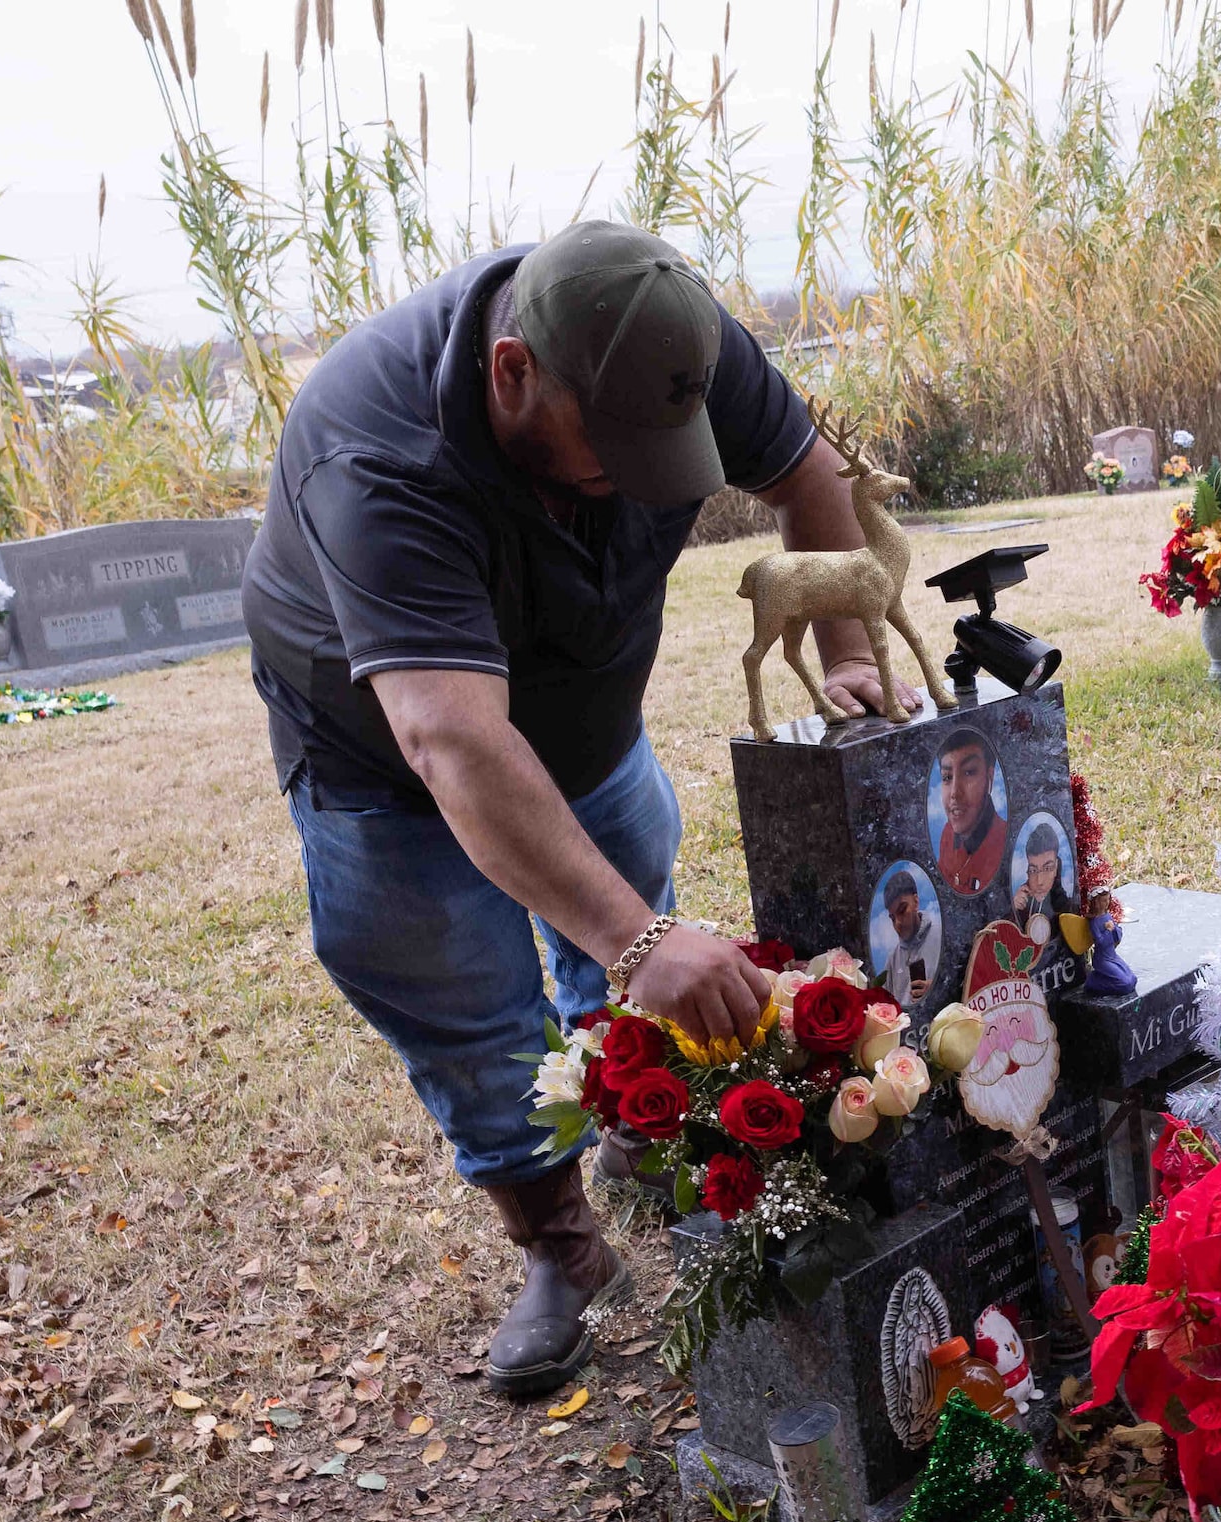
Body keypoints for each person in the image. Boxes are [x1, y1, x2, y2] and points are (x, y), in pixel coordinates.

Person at [244, 221, 916, 1401]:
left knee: (619, 897)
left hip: (583, 714)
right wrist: (640, 941)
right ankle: (559, 1244)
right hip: (388, 761)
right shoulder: (377, 451)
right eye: (611, 452)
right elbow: (449, 735)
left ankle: (626, 1118)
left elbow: (810, 476)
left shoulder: (667, 335)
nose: (638, 479)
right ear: (512, 374)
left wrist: (850, 646)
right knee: (462, 998)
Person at [934, 729, 1008, 894]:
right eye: (947, 777)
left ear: (989, 778)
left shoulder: (1005, 842)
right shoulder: (947, 834)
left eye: (968, 772)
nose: (954, 793)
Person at [878, 868, 940, 1008]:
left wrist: (935, 988)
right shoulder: (892, 960)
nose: (898, 923)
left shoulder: (941, 937)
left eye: (902, 910)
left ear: (916, 902)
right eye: (892, 918)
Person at [1011, 820, 1077, 946]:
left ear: (1057, 867)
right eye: (1033, 870)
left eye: (1047, 868)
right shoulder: (1022, 905)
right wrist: (1014, 911)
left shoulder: (1066, 907)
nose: (1039, 881)